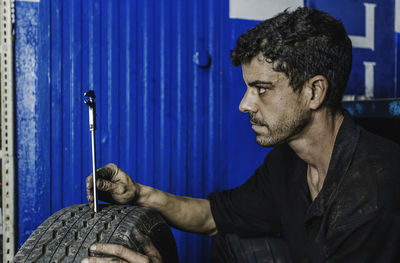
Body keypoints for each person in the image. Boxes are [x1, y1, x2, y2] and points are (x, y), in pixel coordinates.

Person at [82, 7, 400, 263]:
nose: (244, 104)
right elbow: (215, 217)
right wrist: (139, 195)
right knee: (235, 241)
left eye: (262, 89)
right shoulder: (288, 162)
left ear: (313, 91)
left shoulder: (371, 196)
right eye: (248, 87)